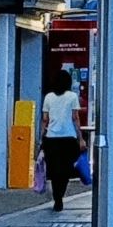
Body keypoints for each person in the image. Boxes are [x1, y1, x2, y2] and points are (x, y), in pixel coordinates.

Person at [39, 68, 86, 213]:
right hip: (68, 138)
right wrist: (81, 138)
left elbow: (45, 120)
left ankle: (57, 197)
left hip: (51, 139)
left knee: (54, 170)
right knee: (65, 170)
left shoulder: (48, 97)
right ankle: (60, 196)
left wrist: (41, 138)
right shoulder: (72, 97)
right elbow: (75, 118)